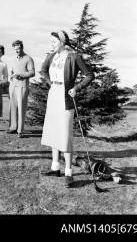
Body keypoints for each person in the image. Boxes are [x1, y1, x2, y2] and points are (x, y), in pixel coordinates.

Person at [40, 30, 94, 187]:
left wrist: (76, 88)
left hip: (66, 98)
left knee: (65, 134)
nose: (51, 44)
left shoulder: (73, 56)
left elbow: (89, 75)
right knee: (53, 131)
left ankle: (69, 172)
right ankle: (55, 167)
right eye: (51, 42)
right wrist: (52, 84)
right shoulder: (51, 56)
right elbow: (43, 71)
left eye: (54, 42)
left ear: (62, 42)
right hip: (53, 95)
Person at [7, 40, 35, 138]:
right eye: (15, 49)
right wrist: (11, 75)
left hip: (22, 86)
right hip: (13, 86)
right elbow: (12, 71)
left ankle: (20, 130)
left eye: (18, 49)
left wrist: (20, 74)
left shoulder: (28, 58)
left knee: (21, 108)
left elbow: (32, 73)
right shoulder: (13, 59)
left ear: (22, 47)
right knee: (13, 107)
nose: (17, 51)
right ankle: (13, 127)